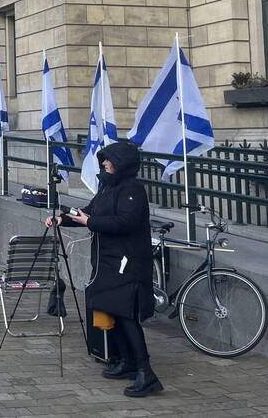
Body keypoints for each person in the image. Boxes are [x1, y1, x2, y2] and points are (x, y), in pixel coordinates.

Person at [46, 141, 161, 397]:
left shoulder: (133, 189)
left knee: (126, 314)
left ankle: (146, 371)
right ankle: (126, 361)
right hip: (107, 261)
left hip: (127, 262)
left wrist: (91, 221)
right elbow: (89, 213)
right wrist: (63, 219)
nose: (105, 164)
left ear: (121, 164)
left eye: (109, 160)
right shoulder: (107, 187)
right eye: (104, 160)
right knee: (108, 307)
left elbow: (126, 222)